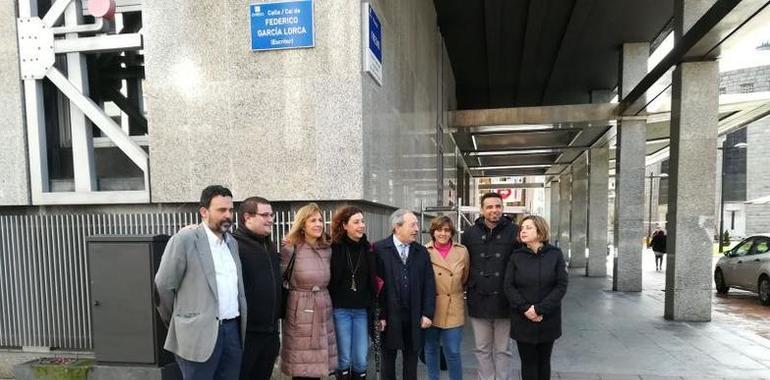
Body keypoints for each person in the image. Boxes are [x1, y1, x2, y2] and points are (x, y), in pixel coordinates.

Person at [155, 185, 247, 380]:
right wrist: (182, 319)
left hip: (232, 331)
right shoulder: (185, 240)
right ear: (204, 212)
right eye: (221, 210)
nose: (228, 215)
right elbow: (163, 286)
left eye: (231, 210)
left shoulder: (232, 243)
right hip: (197, 335)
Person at [461, 192, 521, 380]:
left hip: (505, 299)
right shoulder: (470, 233)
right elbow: (464, 263)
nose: (494, 210)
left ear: (502, 208)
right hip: (479, 298)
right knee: (481, 349)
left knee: (503, 350)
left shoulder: (515, 231)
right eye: (489, 207)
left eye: (497, 206)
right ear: (482, 210)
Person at [504, 215, 568, 380]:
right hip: (522, 318)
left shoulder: (555, 254)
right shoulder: (516, 256)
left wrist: (540, 309)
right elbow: (509, 286)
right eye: (522, 228)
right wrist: (526, 309)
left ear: (540, 231)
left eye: (528, 227)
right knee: (528, 363)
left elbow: (561, 285)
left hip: (548, 318)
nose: (523, 231)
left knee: (544, 362)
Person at [375, 209, 436, 380]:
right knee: (388, 361)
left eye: (417, 224)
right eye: (413, 225)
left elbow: (429, 284)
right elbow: (375, 287)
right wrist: (379, 315)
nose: (417, 229)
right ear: (397, 227)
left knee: (411, 362)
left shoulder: (421, 252)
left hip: (415, 315)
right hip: (388, 316)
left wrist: (427, 313)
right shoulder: (379, 249)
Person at [280, 203, 337, 379]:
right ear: (302, 224)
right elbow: (280, 278)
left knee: (318, 364)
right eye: (313, 220)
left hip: (323, 307)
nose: (318, 224)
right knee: (302, 366)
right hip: (300, 311)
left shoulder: (327, 248)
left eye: (320, 220)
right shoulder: (291, 248)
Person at [233, 196, 281, 380]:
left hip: (270, 334)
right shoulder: (233, 244)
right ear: (247, 217)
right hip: (247, 336)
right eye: (265, 215)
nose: (271, 219)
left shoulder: (269, 244)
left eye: (272, 214)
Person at [329, 206, 377, 380]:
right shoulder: (333, 248)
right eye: (356, 222)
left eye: (362, 221)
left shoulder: (369, 249)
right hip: (340, 309)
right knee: (344, 358)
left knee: (360, 358)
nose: (361, 225)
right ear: (344, 225)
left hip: (362, 310)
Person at [424, 216, 469, 380]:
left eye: (447, 230)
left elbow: (465, 278)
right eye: (439, 230)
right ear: (433, 232)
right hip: (431, 306)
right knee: (431, 348)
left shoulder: (462, 251)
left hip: (453, 306)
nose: (443, 233)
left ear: (452, 233)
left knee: (453, 350)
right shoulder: (424, 250)